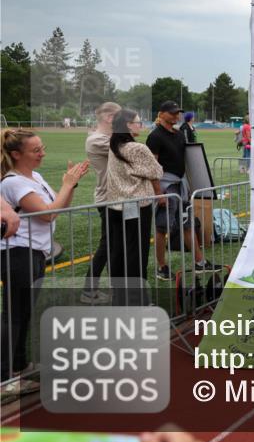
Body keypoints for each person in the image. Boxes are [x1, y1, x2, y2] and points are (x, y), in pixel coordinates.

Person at [1, 129, 89, 393]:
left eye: (42, 148)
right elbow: (47, 215)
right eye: (35, 150)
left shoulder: (34, 177)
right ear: (16, 154)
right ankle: (5, 376)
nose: (42, 154)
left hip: (36, 252)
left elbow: (58, 207)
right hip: (18, 253)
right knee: (14, 314)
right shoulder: (13, 182)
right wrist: (66, 184)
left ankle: (17, 365)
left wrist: (69, 185)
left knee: (24, 312)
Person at [146, 101, 217, 281]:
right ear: (161, 114)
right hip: (166, 188)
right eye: (172, 113)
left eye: (177, 112)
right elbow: (152, 168)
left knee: (187, 224)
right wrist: (158, 193)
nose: (176, 115)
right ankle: (161, 267)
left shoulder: (178, 134)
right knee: (162, 228)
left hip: (181, 187)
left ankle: (200, 262)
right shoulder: (154, 137)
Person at [107, 109, 164, 305]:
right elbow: (157, 171)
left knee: (118, 252)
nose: (141, 125)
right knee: (136, 254)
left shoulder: (114, 145)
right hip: (136, 205)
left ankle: (119, 296)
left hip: (114, 205)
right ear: (128, 125)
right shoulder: (137, 148)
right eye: (138, 122)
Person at [82, 101, 121, 304]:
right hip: (108, 199)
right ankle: (89, 290)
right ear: (109, 118)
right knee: (108, 245)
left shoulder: (108, 137)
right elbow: (126, 151)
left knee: (115, 245)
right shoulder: (96, 140)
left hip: (118, 198)